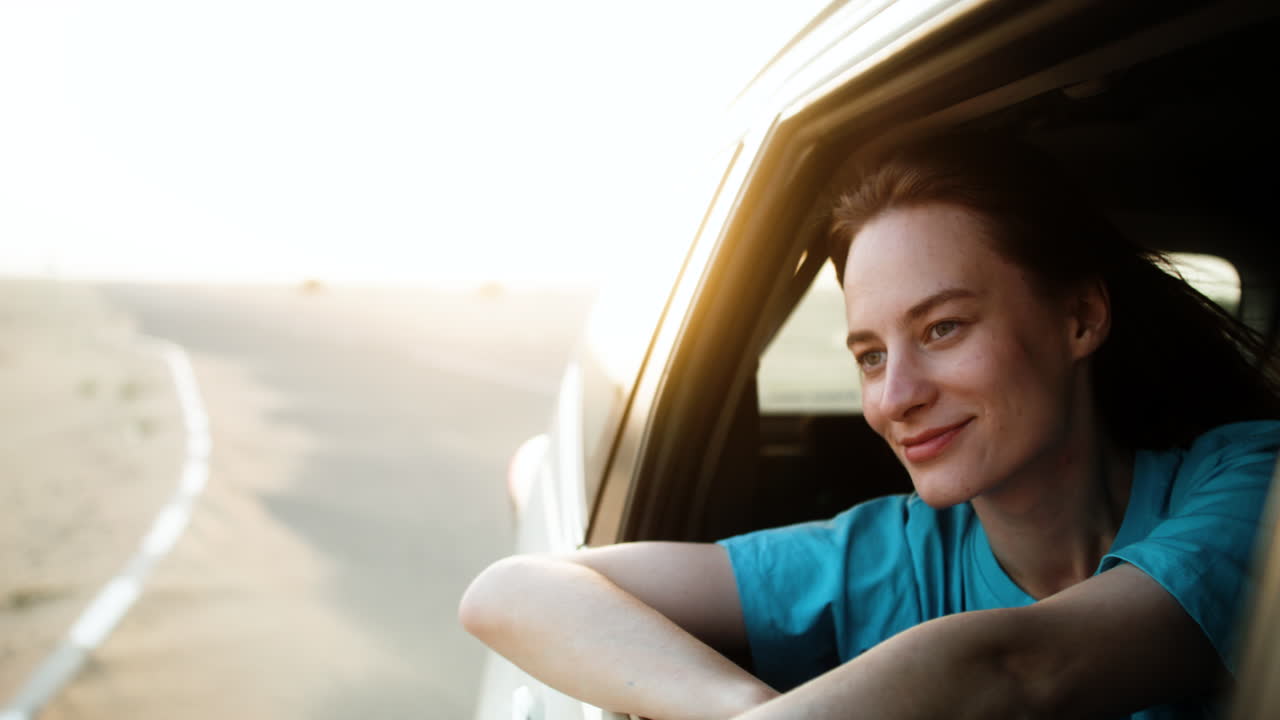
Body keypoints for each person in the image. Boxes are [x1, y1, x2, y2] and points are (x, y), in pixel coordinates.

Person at [458, 132, 1280, 720]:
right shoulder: (888, 555)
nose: (896, 397)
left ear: (1080, 317)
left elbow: (1022, 669)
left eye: (943, 328)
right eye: (869, 354)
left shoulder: (1249, 484)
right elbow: (509, 590)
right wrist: (746, 710)